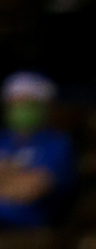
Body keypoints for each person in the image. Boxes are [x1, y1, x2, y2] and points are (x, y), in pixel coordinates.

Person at [0, 73, 74, 228]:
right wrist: (19, 177)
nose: (20, 109)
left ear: (46, 106)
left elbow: (34, 188)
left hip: (32, 223)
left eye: (28, 103)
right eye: (14, 103)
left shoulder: (58, 143)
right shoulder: (3, 141)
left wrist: (7, 175)